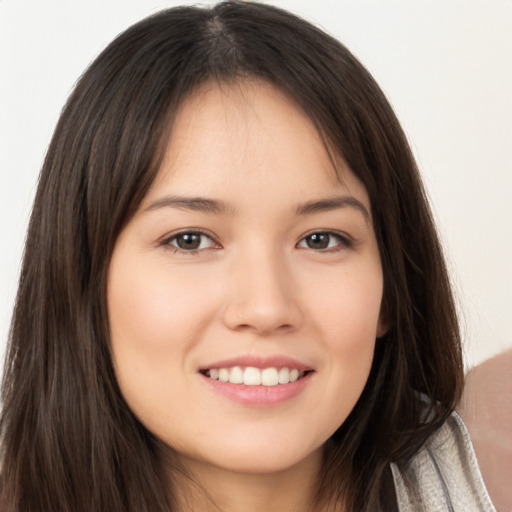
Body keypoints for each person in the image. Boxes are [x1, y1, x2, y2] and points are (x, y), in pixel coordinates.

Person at [0, 2, 496, 511]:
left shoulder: (491, 468)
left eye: (321, 239)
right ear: (83, 278)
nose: (266, 308)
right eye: (190, 240)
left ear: (391, 289)